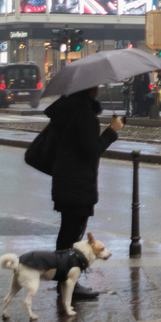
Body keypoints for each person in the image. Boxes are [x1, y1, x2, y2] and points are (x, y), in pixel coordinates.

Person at [45, 85, 122, 300]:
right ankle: (70, 283)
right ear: (90, 91)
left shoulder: (66, 111)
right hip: (78, 183)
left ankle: (64, 280)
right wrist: (111, 131)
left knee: (66, 233)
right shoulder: (84, 115)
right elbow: (90, 152)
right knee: (73, 234)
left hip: (65, 180)